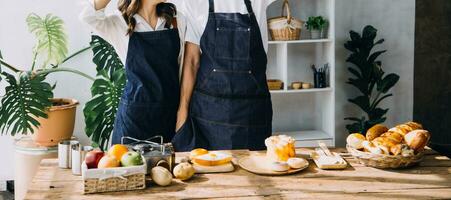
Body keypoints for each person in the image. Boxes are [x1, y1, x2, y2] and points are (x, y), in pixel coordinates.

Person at [172, 0, 276, 151]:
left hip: (251, 115)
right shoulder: (196, 3)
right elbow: (192, 62)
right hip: (209, 115)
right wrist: (182, 111)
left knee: (252, 173)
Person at [80, 0, 186, 144]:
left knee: (168, 166)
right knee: (129, 165)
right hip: (135, 120)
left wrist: (183, 110)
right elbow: (88, 16)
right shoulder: (120, 23)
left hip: (170, 115)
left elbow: (184, 68)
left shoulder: (176, 20)